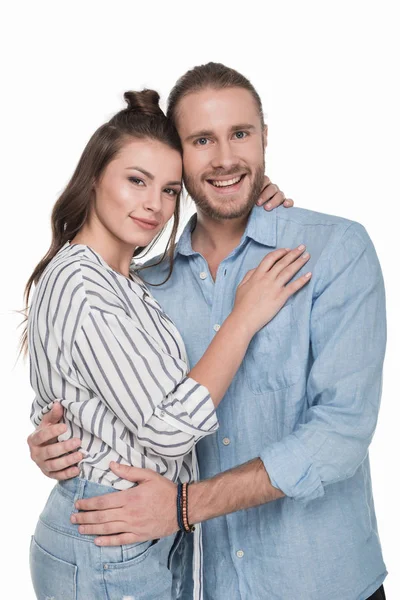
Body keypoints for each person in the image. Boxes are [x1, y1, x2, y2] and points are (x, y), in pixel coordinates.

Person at [28, 63, 387, 600]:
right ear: (181, 155)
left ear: (266, 139)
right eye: (202, 140)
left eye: (240, 134)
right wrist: (53, 437)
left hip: (322, 583)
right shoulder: (145, 288)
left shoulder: (333, 251)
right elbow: (99, 387)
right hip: (198, 580)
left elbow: (340, 434)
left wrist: (183, 506)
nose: (224, 158)